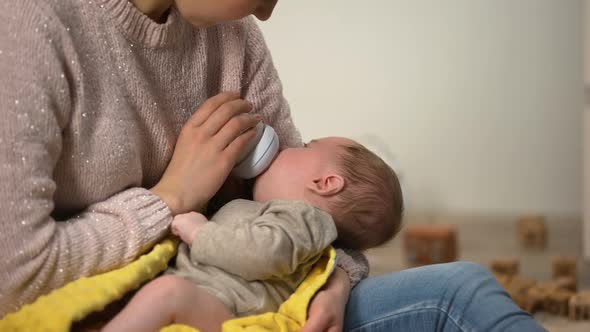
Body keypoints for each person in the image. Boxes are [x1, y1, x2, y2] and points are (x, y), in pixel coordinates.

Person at [0, 0, 545, 330]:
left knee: (461, 290)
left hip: (262, 308)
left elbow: (323, 210)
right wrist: (169, 201)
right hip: (121, 311)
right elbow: (14, 277)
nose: (266, 10)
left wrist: (334, 284)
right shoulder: (32, 26)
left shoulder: (233, 36)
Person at [103, 137, 404, 331]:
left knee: (166, 293)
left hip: (229, 311)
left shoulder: (305, 220)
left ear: (325, 183)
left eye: (304, 147)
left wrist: (201, 232)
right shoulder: (272, 214)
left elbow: (264, 253)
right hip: (210, 299)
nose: (286, 146)